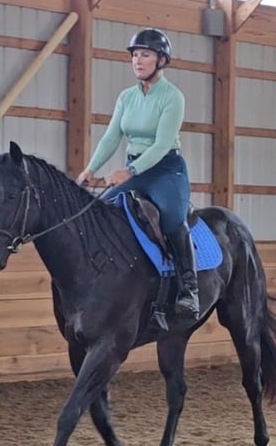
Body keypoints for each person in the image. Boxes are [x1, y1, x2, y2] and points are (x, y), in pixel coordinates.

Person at [76, 28, 199, 320]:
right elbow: (111, 138)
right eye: (134, 55)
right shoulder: (126, 98)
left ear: (161, 60)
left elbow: (161, 144)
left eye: (145, 54)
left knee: (171, 218)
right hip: (134, 169)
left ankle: (189, 289)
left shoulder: (173, 97)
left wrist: (129, 171)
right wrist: (89, 169)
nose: (137, 60)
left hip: (166, 169)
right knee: (102, 213)